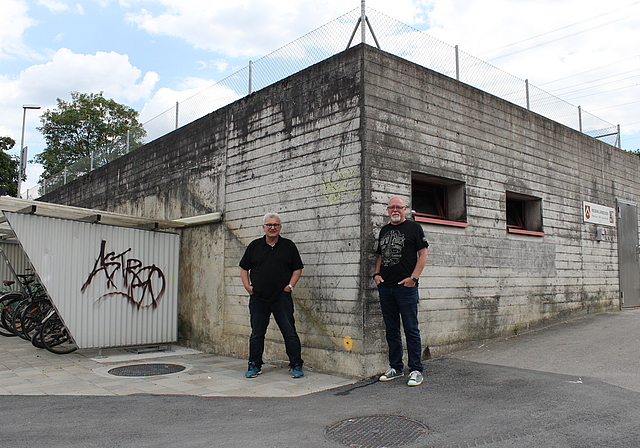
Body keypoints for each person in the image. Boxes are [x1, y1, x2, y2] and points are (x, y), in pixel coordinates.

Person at [239, 212, 305, 379]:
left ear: (280, 227)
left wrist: (290, 286)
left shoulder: (288, 246)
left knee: (289, 332)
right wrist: (248, 287)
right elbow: (243, 268)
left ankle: (296, 364)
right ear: (264, 227)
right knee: (257, 333)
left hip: (281, 298)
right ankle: (254, 365)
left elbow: (297, 269)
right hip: (258, 298)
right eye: (269, 225)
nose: (272, 227)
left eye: (275, 224)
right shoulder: (254, 246)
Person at [373, 197, 429, 387]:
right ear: (387, 210)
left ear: (405, 209)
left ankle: (415, 369)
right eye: (392, 207)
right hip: (386, 287)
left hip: (406, 288)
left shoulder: (414, 228)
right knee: (391, 329)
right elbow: (380, 254)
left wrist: (413, 279)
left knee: (411, 329)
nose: (395, 210)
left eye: (399, 207)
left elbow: (423, 255)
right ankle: (396, 367)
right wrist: (376, 274)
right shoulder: (384, 230)